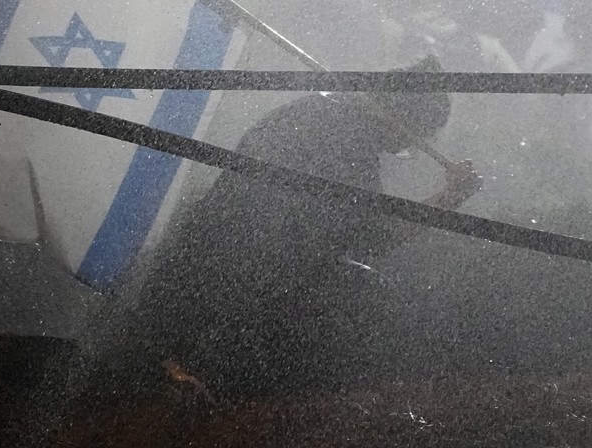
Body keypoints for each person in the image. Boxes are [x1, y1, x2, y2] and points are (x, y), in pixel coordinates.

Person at [84, 54, 480, 402]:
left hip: (201, 274)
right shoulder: (346, 143)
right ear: (402, 119)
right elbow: (369, 236)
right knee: (361, 294)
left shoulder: (311, 113)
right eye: (409, 137)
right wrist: (447, 199)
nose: (399, 149)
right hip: (231, 294)